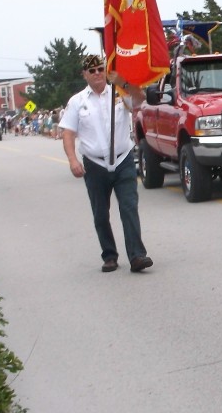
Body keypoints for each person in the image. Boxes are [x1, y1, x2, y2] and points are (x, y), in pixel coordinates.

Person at [59, 54, 153, 272]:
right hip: (95, 165)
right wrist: (72, 159)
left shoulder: (119, 94)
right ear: (84, 74)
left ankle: (137, 255)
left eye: (100, 69)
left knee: (129, 207)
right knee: (101, 213)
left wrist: (123, 82)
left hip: (123, 160)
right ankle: (109, 255)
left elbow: (139, 99)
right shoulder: (77, 102)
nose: (97, 74)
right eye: (91, 71)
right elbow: (68, 133)